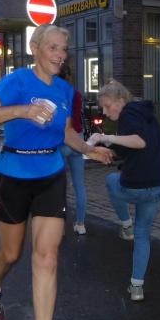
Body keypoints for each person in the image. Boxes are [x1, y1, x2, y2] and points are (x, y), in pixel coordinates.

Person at [0, 24, 113, 320]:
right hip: (13, 175)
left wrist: (89, 150)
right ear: (35, 48)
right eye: (53, 47)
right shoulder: (16, 82)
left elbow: (66, 132)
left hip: (50, 174)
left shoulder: (64, 89)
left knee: (47, 256)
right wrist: (21, 111)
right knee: (11, 254)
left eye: (64, 48)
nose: (60, 55)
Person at [88, 79, 160, 302]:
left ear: (120, 100)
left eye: (107, 106)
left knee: (111, 180)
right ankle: (137, 287)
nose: (105, 112)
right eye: (102, 108)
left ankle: (126, 225)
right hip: (157, 189)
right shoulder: (148, 117)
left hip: (133, 187)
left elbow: (139, 142)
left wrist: (104, 137)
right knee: (143, 236)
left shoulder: (129, 114)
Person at [58, 64, 88, 235]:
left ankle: (60, 225)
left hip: (62, 141)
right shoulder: (76, 94)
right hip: (78, 139)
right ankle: (81, 224)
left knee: (59, 186)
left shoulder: (53, 93)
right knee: (79, 186)